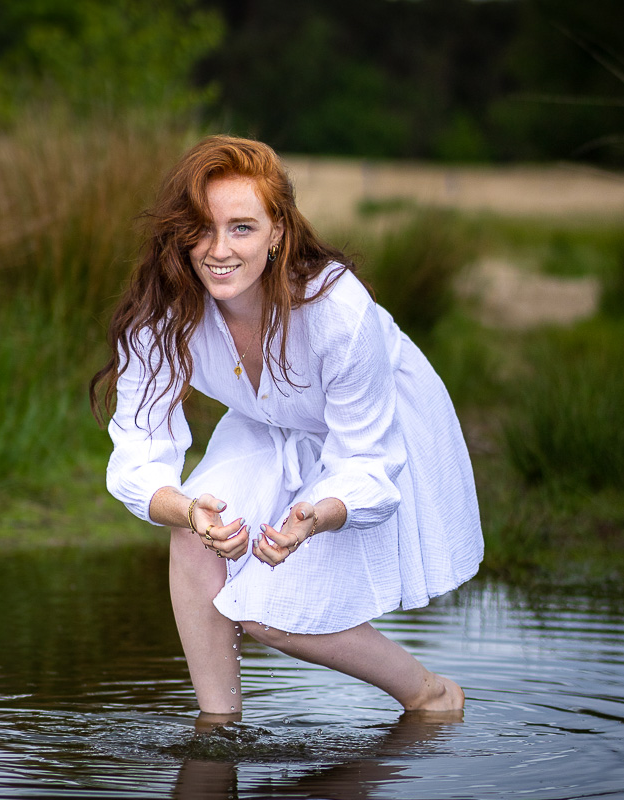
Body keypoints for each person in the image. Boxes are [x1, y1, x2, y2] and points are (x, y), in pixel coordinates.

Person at [90, 135, 483, 718]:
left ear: (277, 232)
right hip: (265, 421)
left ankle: (430, 694)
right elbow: (138, 452)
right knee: (195, 534)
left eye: (241, 228)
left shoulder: (337, 310)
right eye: (201, 228)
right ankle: (217, 727)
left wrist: (315, 516)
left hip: (372, 429)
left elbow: (367, 461)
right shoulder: (163, 309)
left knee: (266, 611)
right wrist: (188, 509)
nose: (218, 250)